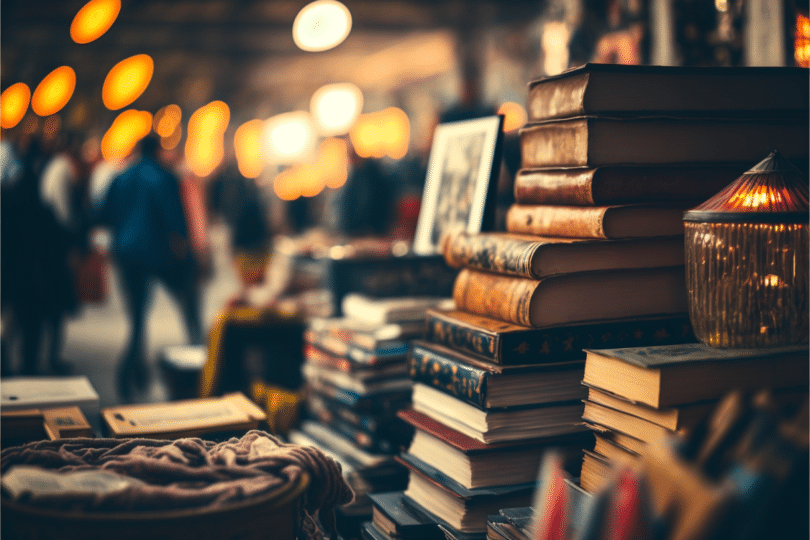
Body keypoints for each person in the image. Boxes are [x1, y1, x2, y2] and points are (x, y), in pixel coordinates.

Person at [95, 134, 203, 400]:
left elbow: (101, 214)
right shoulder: (164, 176)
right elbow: (174, 218)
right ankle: (198, 363)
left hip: (126, 253)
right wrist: (186, 250)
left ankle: (131, 372)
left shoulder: (119, 177)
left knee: (137, 318)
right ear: (156, 150)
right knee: (189, 305)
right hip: (159, 253)